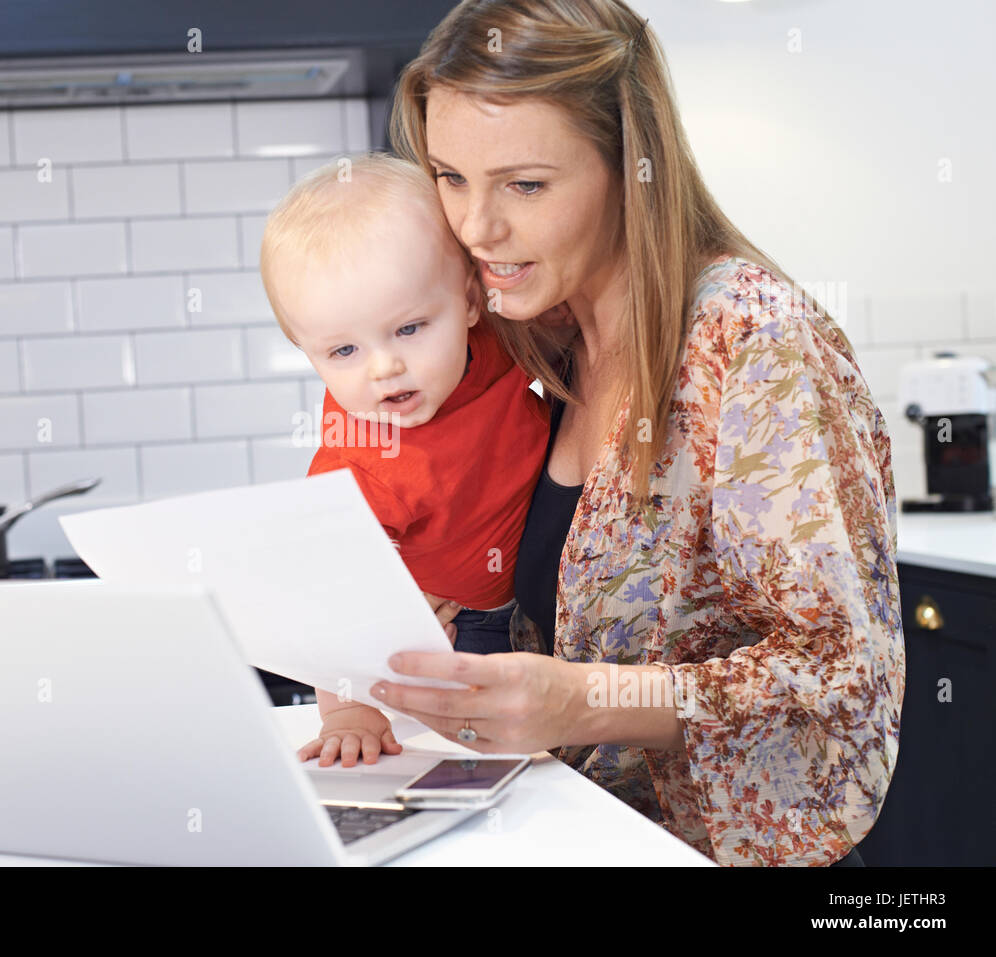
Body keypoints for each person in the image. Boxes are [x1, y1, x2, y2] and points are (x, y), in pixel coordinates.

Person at [323, 0, 905, 867]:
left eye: (525, 185)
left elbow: (841, 677)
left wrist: (586, 700)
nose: (476, 227)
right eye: (450, 177)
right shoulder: (536, 339)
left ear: (632, 167)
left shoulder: (753, 340)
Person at [259, 153, 552, 767]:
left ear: (470, 303)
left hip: (548, 599)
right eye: (343, 350)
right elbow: (333, 602)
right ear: (306, 351)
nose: (384, 367)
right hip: (461, 628)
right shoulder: (358, 473)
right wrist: (349, 711)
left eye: (410, 328)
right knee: (492, 765)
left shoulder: (498, 343)